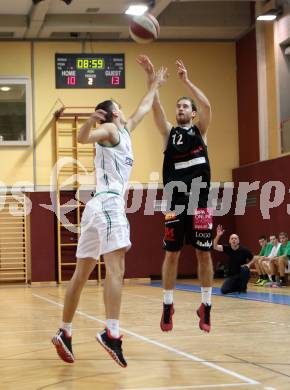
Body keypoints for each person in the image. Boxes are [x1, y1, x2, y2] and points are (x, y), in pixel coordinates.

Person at [52, 63, 168, 368]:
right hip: (108, 205)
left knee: (81, 274)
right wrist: (91, 121)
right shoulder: (111, 129)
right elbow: (81, 138)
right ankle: (112, 333)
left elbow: (144, 107)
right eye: (119, 107)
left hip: (95, 208)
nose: (124, 109)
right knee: (116, 269)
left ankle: (65, 331)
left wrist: (153, 83)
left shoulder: (125, 129)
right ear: (112, 112)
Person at [138, 55, 213, 333]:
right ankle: (168, 305)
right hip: (175, 203)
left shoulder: (201, 132)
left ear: (192, 113)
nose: (180, 108)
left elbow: (207, 105)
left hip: (200, 202)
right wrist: (151, 79)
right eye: (178, 106)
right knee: (172, 255)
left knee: (204, 255)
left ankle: (206, 305)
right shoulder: (168, 133)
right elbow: (155, 106)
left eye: (185, 106)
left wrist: (187, 81)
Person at [213, 225, 254, 294]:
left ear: (238, 241)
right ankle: (237, 287)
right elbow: (214, 246)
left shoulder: (244, 250)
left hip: (241, 274)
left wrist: (248, 264)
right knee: (224, 290)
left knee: (245, 269)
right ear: (229, 241)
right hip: (232, 276)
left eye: (235, 238)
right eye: (232, 238)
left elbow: (254, 258)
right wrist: (218, 235)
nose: (234, 240)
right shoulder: (227, 248)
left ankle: (243, 288)